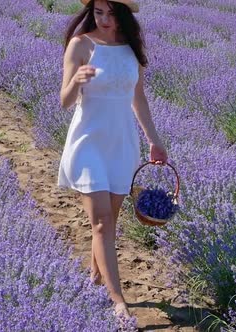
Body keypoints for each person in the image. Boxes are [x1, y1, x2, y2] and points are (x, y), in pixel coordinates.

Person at [58, 0, 168, 319]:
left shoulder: (131, 51)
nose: (105, 19)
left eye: (111, 13)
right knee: (103, 222)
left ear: (123, 15)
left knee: (110, 221)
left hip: (121, 144)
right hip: (88, 142)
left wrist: (154, 141)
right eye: (99, 12)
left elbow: (138, 98)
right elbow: (65, 101)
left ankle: (95, 276)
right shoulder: (81, 45)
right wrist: (77, 80)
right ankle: (118, 300)